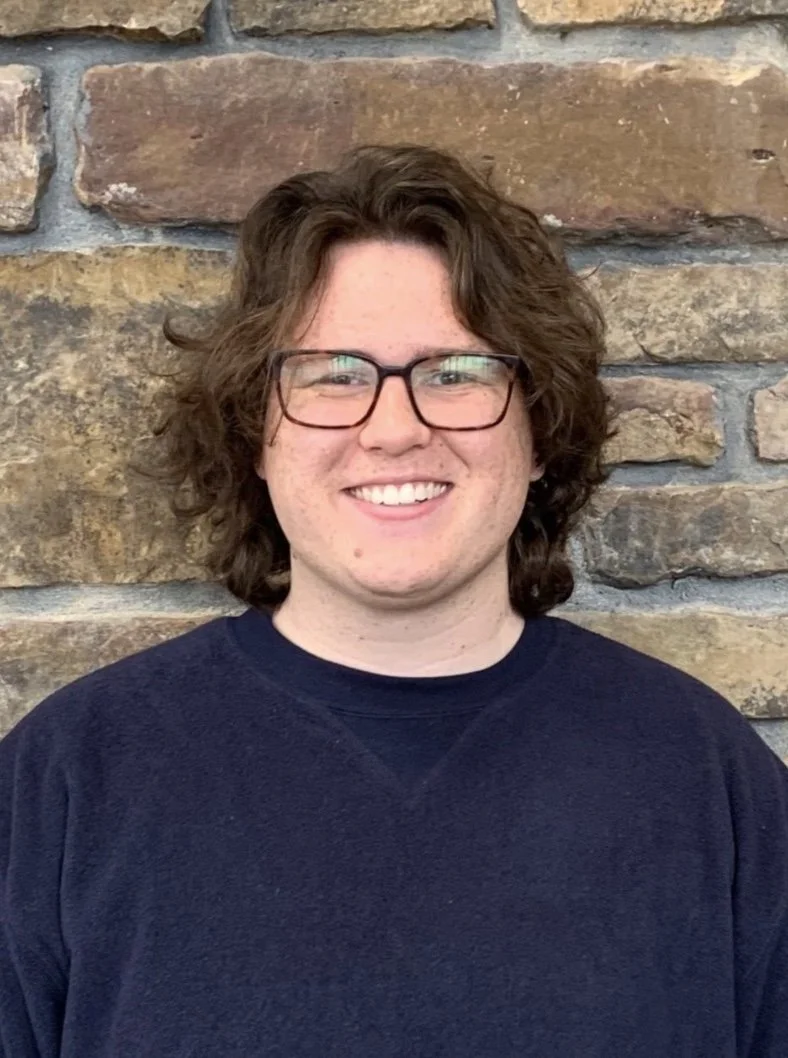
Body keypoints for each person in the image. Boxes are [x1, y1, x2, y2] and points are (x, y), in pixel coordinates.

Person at [1, 143, 786, 1058]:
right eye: (334, 374)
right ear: (258, 434)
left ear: (539, 432)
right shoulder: (68, 781)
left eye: (455, 374)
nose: (394, 429)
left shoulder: (704, 778)